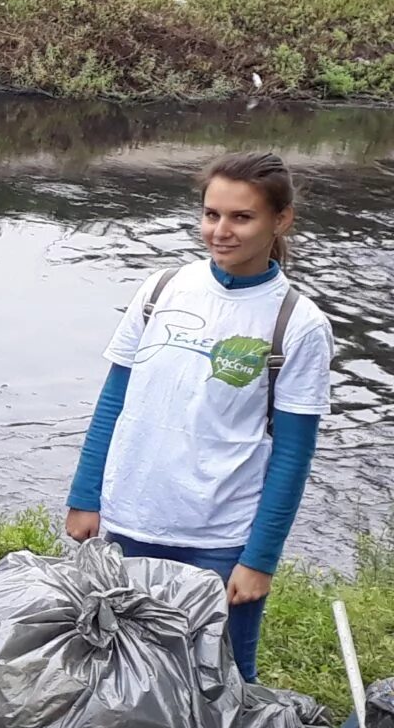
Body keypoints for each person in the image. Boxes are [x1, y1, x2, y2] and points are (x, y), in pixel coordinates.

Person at [65, 151, 332, 681]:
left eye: (241, 217)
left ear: (281, 220)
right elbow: (114, 402)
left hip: (219, 540)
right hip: (127, 521)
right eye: (212, 215)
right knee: (110, 675)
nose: (221, 231)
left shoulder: (297, 323)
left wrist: (259, 559)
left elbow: (294, 452)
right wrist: (84, 495)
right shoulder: (161, 290)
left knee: (219, 682)